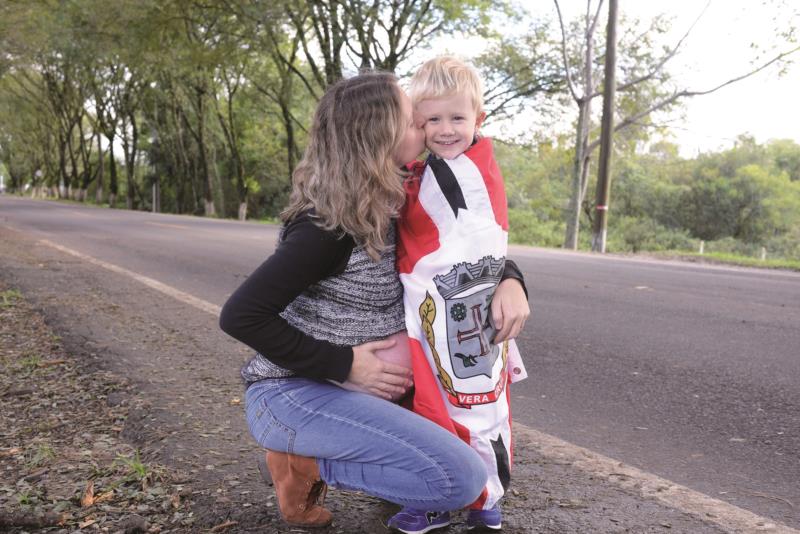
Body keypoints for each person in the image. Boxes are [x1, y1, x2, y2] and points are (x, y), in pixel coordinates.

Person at [219, 71, 528, 529]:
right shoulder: (323, 228)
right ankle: (301, 465)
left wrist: (512, 280)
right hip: (293, 394)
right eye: (412, 122)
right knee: (460, 480)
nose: (424, 129)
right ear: (377, 139)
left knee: (456, 463)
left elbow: (463, 247)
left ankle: (347, 459)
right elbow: (240, 315)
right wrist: (346, 365)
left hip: (368, 394)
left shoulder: (399, 195)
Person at [389, 56, 529, 533]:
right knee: (429, 405)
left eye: (457, 118)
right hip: (429, 311)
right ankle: (443, 492)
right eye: (432, 120)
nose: (445, 130)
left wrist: (509, 279)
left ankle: (481, 496)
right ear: (417, 122)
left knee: (478, 406)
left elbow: (482, 242)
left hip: (463, 313)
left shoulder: (470, 170)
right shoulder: (431, 169)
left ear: (479, 120)